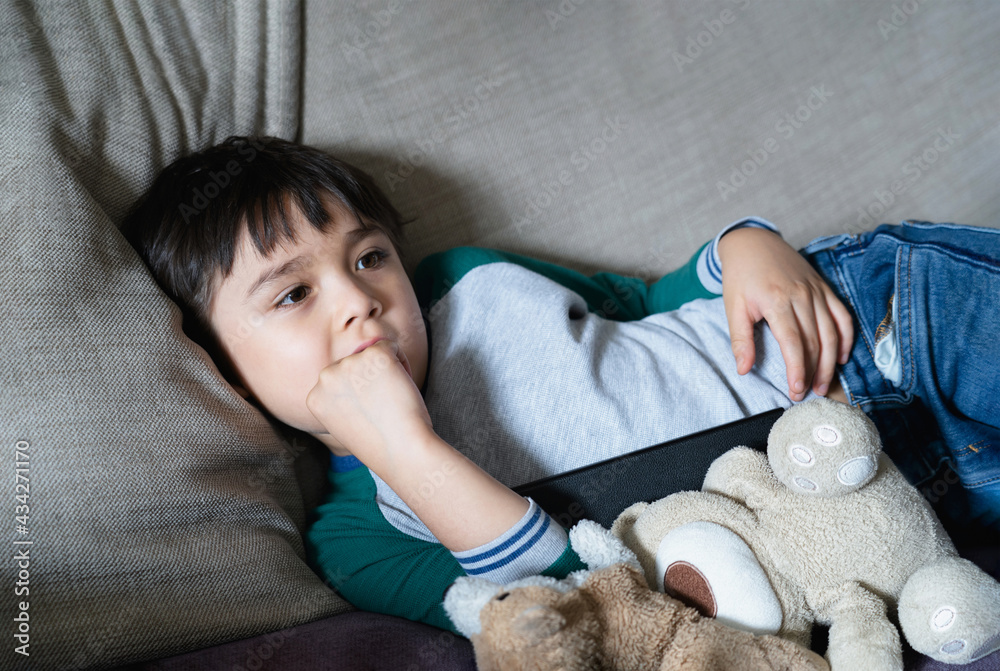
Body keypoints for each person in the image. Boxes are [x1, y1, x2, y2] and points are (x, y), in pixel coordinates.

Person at [121, 135, 1000, 634]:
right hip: (910, 501)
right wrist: (405, 450)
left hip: (876, 329)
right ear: (217, 364)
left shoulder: (469, 284)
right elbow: (576, 600)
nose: (360, 300)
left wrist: (742, 243)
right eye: (294, 293)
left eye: (369, 256)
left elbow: (651, 300)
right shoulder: (359, 542)